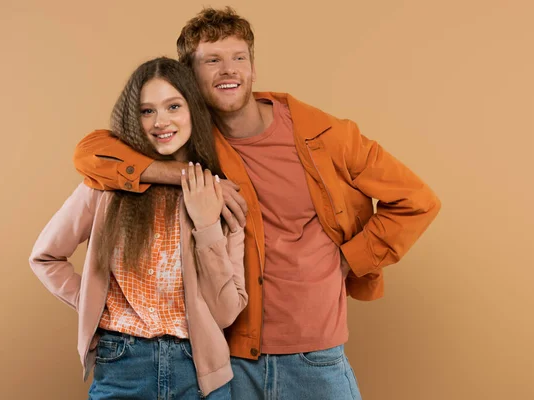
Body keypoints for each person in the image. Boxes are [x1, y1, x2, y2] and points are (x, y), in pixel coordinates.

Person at [73, 7, 442, 399]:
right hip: (231, 357)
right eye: (212, 61)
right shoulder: (186, 142)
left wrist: (349, 260)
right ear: (189, 77)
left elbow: (417, 200)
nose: (228, 70)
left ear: (252, 67)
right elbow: (89, 154)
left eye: (238, 58)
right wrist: (178, 175)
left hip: (314, 355)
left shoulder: (323, 135)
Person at [30, 57, 247, 399]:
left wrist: (207, 226)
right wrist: (95, 303)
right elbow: (45, 258)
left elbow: (225, 312)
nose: (161, 122)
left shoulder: (220, 193)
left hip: (200, 373)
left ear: (194, 109)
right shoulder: (103, 188)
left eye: (173, 106)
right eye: (147, 111)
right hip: (121, 367)